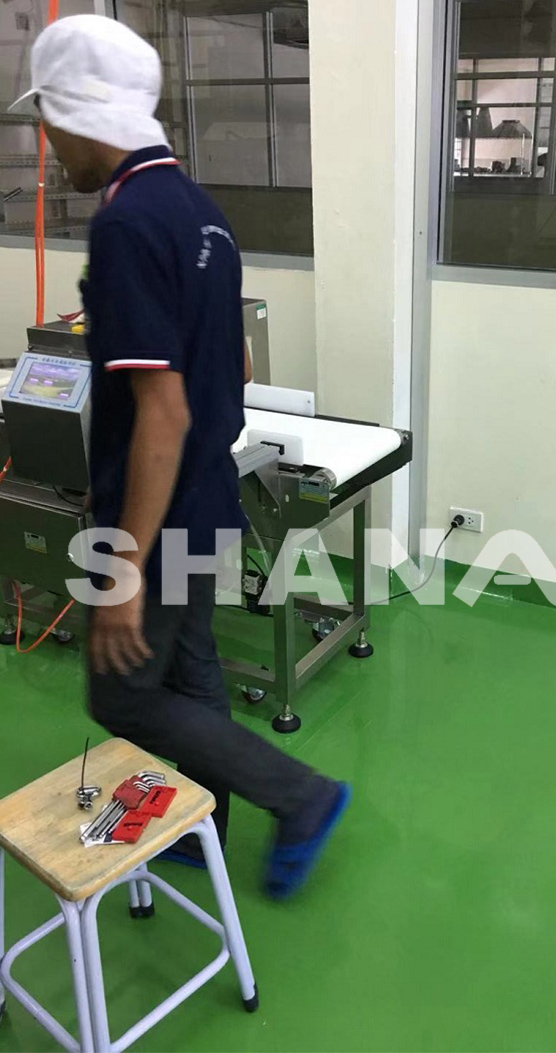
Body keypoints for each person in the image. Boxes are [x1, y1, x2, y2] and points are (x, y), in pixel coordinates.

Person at [10, 14, 350, 899]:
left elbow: (160, 411)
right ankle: (201, 830)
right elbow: (233, 364)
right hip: (207, 495)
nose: (50, 146)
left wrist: (124, 566)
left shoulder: (127, 224)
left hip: (154, 515)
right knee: (191, 672)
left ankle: (301, 794)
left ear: (78, 114)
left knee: (120, 694)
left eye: (48, 123)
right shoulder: (202, 213)